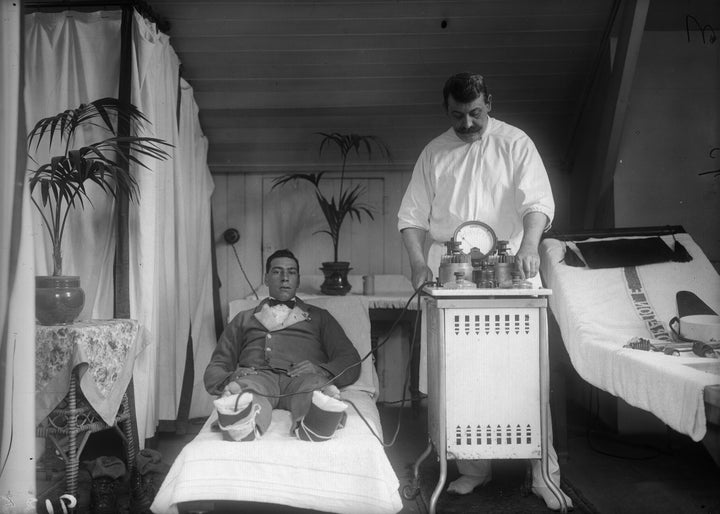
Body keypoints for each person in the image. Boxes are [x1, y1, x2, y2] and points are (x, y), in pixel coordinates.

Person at [397, 72, 572, 511]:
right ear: (447, 111)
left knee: (524, 375)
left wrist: (530, 248)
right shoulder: (434, 152)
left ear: (489, 103)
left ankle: (543, 475)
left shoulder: (516, 143)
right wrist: (419, 263)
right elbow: (412, 217)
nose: (468, 123)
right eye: (458, 116)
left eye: (476, 113)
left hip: (509, 267)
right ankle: (474, 469)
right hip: (451, 274)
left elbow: (538, 204)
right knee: (458, 373)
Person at [204, 249, 361, 442]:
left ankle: (316, 422)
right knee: (249, 389)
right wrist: (232, 377)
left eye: (291, 272)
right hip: (259, 377)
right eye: (277, 271)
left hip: (301, 378)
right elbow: (216, 366)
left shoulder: (321, 317)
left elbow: (350, 359)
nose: (285, 278)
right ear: (267, 278)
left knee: (313, 388)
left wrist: (321, 370)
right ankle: (242, 419)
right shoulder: (243, 319)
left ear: (298, 279)